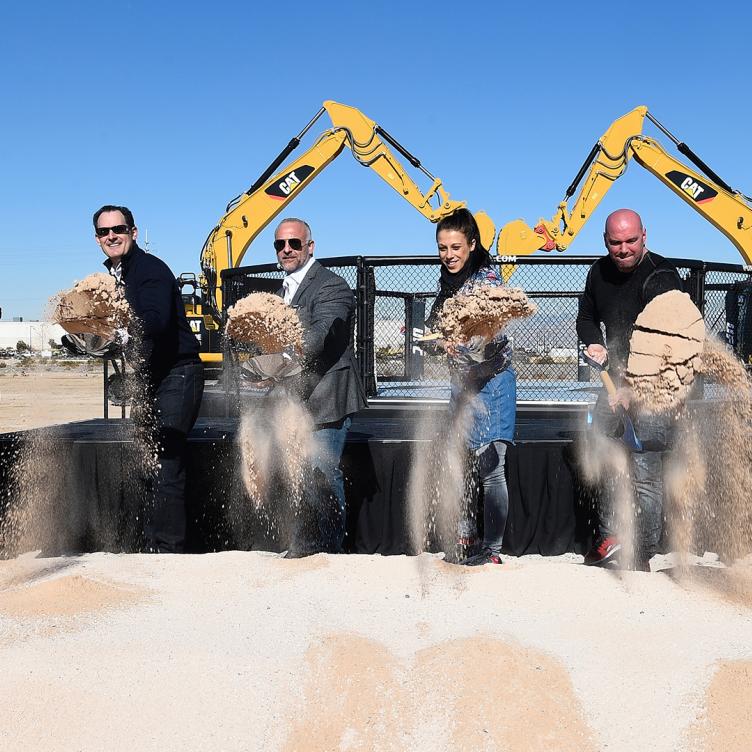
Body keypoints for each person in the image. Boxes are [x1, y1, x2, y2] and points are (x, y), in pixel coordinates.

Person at [94, 205, 204, 553]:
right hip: (149, 376)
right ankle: (150, 543)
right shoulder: (117, 276)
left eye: (119, 229)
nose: (112, 235)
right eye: (104, 231)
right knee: (147, 461)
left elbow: (154, 321)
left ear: (134, 232)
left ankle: (168, 551)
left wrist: (120, 334)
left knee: (166, 459)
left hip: (177, 374)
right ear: (97, 239)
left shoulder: (150, 270)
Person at [577, 208, 682, 570]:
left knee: (644, 472)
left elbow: (673, 345)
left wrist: (635, 389)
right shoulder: (598, 272)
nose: (623, 249)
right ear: (606, 241)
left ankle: (642, 554)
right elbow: (587, 318)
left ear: (645, 237)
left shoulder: (663, 278)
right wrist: (594, 344)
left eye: (630, 241)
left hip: (656, 384)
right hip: (615, 380)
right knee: (605, 459)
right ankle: (611, 537)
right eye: (615, 242)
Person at [426, 208, 516, 566]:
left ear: (472, 244)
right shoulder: (446, 280)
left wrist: (460, 338)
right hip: (460, 384)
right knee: (459, 460)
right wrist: (440, 340)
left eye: (455, 247)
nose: (448, 255)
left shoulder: (487, 279)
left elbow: (487, 325)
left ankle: (492, 550)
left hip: (492, 381)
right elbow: (436, 323)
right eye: (442, 247)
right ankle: (465, 532)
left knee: (492, 466)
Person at [273, 217, 367, 556]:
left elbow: (319, 332)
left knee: (322, 474)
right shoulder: (281, 290)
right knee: (299, 473)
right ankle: (303, 544)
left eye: (294, 243)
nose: (286, 250)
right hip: (294, 398)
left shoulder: (332, 285)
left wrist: (282, 352)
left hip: (327, 397)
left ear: (310, 247)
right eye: (280, 244)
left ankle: (330, 550)